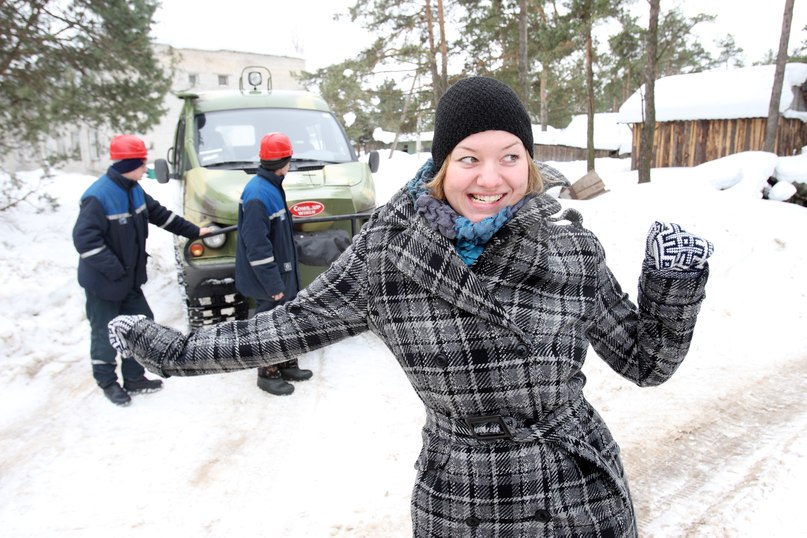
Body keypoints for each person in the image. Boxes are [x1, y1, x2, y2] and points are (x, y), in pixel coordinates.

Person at [108, 77, 713, 536]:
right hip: (464, 498)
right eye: (469, 157)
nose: (490, 176)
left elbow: (646, 361)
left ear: (530, 164)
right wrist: (170, 349)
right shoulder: (388, 257)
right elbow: (286, 328)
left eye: (511, 156)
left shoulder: (570, 247)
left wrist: (674, 281)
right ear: (441, 164)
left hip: (577, 490)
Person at [73, 134, 213, 407]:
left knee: (140, 326)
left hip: (128, 281)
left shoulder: (133, 189)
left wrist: (195, 231)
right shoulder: (98, 196)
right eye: (142, 162)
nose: (145, 167)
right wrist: (116, 269)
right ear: (130, 164)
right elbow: (85, 241)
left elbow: (161, 215)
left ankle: (135, 378)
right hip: (104, 283)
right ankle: (108, 383)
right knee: (105, 333)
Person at [235, 132, 313, 395]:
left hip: (281, 272)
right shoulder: (258, 194)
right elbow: (256, 246)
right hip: (268, 278)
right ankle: (267, 373)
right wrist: (272, 283)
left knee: (286, 318)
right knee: (268, 324)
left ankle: (286, 362)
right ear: (286, 161)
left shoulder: (270, 186)